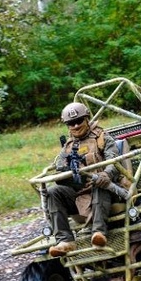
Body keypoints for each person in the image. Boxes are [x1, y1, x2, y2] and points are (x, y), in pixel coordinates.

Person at [46, 102, 123, 257]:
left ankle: (99, 233)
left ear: (87, 119)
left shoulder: (103, 138)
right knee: (53, 192)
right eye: (71, 123)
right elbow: (60, 169)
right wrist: (69, 175)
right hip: (80, 193)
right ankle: (65, 240)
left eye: (79, 121)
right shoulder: (67, 147)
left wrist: (106, 175)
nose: (76, 126)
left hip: (107, 189)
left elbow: (114, 161)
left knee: (99, 183)